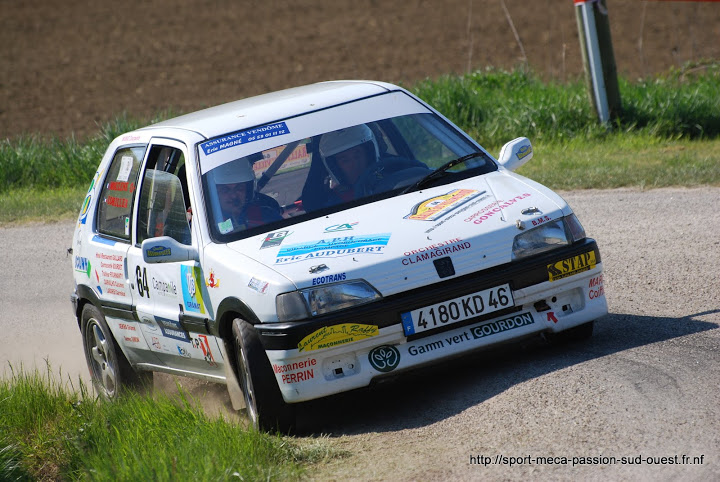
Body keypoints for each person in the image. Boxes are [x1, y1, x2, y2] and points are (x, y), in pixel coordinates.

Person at [207, 158, 282, 233]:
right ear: (215, 194)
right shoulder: (208, 225)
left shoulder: (267, 215)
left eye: (239, 188)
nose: (233, 196)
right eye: (225, 190)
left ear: (248, 191)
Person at [318, 124, 380, 203]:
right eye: (345, 160)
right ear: (336, 168)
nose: (355, 165)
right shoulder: (335, 204)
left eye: (357, 155)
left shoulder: (392, 181)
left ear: (369, 155)